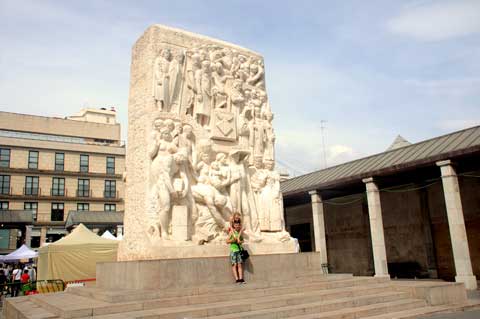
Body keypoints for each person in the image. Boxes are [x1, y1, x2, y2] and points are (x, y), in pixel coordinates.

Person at [227, 219, 245, 284]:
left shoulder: (240, 232)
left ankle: (241, 279)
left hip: (239, 250)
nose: (237, 226)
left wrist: (240, 241)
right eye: (236, 225)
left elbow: (242, 240)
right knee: (234, 265)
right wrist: (233, 240)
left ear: (239, 226)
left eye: (238, 225)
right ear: (234, 225)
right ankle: (237, 279)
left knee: (240, 265)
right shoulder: (232, 232)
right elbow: (227, 241)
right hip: (233, 250)